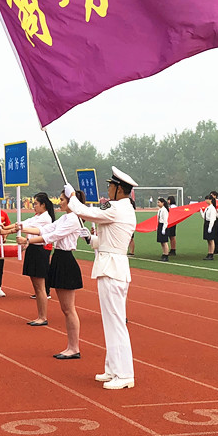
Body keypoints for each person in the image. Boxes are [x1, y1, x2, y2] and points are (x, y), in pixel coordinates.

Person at [64, 166, 137, 390]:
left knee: (115, 322)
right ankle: (113, 368)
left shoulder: (117, 208)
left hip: (113, 269)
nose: (108, 189)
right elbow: (108, 241)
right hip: (112, 266)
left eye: (111, 186)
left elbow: (87, 212)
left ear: (119, 189)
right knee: (110, 321)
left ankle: (124, 374)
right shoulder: (121, 208)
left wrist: (72, 197)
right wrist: (91, 239)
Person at [20, 190, 87, 359]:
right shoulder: (65, 217)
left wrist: (28, 240)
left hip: (66, 261)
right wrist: (20, 228)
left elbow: (53, 235)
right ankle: (71, 347)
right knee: (66, 309)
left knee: (69, 309)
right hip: (58, 259)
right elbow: (46, 229)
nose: (60, 202)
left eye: (63, 199)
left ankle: (74, 348)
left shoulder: (73, 219)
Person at [2, 192, 54, 326]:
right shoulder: (37, 216)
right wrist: (5, 228)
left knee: (40, 286)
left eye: (36, 203)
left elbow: (25, 227)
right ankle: (40, 316)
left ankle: (43, 317)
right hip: (33, 250)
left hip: (39, 251)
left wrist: (7, 231)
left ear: (43, 205)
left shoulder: (45, 218)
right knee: (36, 286)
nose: (33, 206)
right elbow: (21, 223)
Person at [201, 195, 217, 260]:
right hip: (206, 223)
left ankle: (211, 254)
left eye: (207, 199)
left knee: (211, 240)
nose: (206, 201)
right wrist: (201, 212)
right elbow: (205, 217)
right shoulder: (207, 208)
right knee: (208, 240)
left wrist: (210, 227)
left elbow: (212, 219)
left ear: (210, 200)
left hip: (210, 224)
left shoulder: (212, 208)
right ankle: (209, 252)